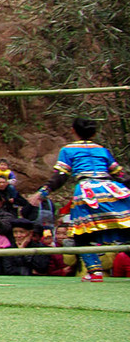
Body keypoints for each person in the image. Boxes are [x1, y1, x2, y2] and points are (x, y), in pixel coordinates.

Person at [29, 117, 130, 282]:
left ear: (73, 130)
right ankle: (96, 271)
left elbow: (61, 176)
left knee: (82, 233)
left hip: (87, 193)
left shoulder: (68, 150)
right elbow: (120, 175)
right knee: (125, 228)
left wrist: (42, 193)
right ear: (94, 132)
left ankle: (95, 272)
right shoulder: (102, 150)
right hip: (112, 190)